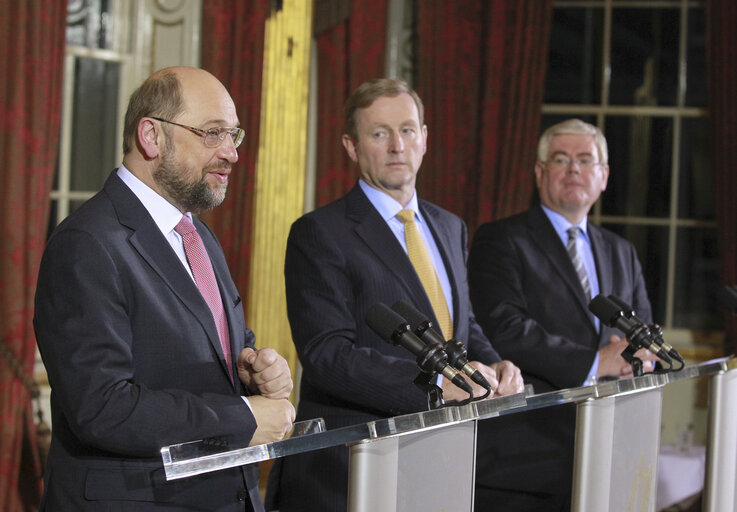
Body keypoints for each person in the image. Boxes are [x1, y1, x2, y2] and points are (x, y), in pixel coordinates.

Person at [33, 66, 295, 512]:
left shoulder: (197, 235)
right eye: (213, 134)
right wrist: (244, 416)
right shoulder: (86, 243)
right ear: (151, 136)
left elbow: (212, 348)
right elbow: (102, 407)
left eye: (235, 135)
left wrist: (251, 369)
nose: (231, 153)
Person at [265, 78, 523, 512]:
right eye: (379, 133)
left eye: (407, 130)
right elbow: (327, 354)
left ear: (425, 138)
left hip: (442, 459)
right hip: (352, 468)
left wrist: (495, 364)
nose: (396, 146)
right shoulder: (319, 233)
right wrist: (440, 384)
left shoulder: (450, 226)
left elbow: (458, 325)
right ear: (351, 146)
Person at [468, 118, 657, 511]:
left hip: (607, 453)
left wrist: (645, 354)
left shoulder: (622, 251)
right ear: (540, 172)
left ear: (604, 177)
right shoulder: (501, 239)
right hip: (524, 462)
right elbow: (503, 328)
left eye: (586, 160)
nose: (574, 169)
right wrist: (596, 361)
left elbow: (642, 332)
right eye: (561, 159)